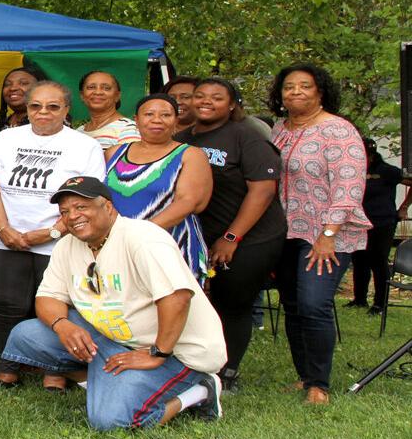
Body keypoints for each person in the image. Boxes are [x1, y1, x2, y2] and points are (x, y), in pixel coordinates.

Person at [0, 176, 226, 430]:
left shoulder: (143, 238)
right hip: (114, 339)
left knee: (112, 422)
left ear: (107, 207)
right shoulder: (67, 245)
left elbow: (177, 297)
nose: (72, 216)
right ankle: (102, 384)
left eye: (81, 207)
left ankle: (200, 391)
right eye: (65, 211)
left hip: (177, 351)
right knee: (26, 336)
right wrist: (63, 325)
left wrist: (158, 353)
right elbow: (47, 297)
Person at [0, 80, 105, 388]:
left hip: (61, 241)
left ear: (66, 109)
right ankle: (7, 368)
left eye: (53, 107)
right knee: (7, 305)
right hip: (7, 238)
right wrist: (4, 229)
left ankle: (55, 372)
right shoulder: (7, 138)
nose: (43, 113)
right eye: (35, 106)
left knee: (58, 305)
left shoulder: (84, 144)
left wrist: (50, 232)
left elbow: (86, 198)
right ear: (26, 108)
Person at [175, 78, 287, 392]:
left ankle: (228, 373)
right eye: (199, 96)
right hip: (200, 238)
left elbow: (263, 192)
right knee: (198, 303)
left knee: (232, 304)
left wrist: (231, 237)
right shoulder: (182, 139)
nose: (206, 101)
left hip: (249, 238)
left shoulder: (246, 137)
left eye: (216, 97)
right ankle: (196, 366)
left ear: (232, 104)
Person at [269, 63, 372, 405]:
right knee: (294, 305)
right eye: (289, 87)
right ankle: (305, 376)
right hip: (286, 231)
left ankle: (320, 385)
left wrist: (329, 233)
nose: (295, 92)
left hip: (326, 234)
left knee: (314, 303)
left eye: (305, 86)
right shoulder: (279, 129)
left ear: (320, 92)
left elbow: (349, 185)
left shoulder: (338, 131)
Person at [105, 94, 212, 283]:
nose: (157, 120)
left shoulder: (190, 154)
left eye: (165, 115)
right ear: (136, 120)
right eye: (149, 114)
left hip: (168, 242)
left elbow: (189, 201)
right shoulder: (114, 153)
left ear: (175, 121)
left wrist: (138, 236)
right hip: (116, 244)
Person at [348, 137, 412, 314]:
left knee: (378, 261)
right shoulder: (353, 171)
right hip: (359, 222)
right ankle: (359, 299)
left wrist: (404, 207)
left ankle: (380, 303)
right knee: (359, 260)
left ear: (372, 155)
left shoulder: (387, 171)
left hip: (382, 222)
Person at [77, 71, 140, 149]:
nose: (98, 92)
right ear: (82, 95)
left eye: (106, 88)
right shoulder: (79, 132)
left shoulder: (129, 129)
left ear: (117, 96)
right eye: (91, 87)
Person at [0, 66, 45, 132]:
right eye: (7, 84)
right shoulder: (4, 122)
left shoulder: (46, 122)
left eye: (23, 83)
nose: (13, 88)